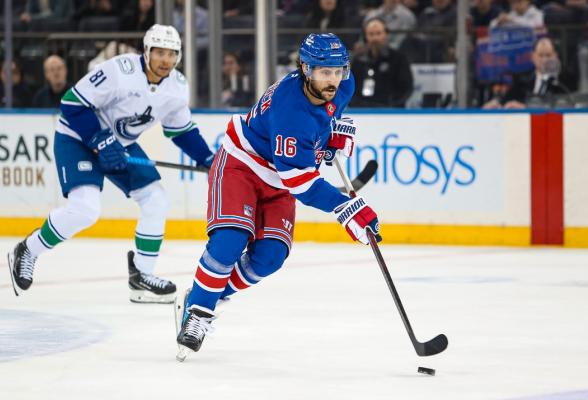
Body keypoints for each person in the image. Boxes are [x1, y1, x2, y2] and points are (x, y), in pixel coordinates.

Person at [174, 33, 383, 361]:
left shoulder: (345, 83)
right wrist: (346, 207)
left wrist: (329, 136)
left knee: (270, 257)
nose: (332, 79)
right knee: (230, 241)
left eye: (337, 70)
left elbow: (325, 117)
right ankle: (198, 311)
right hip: (242, 166)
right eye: (323, 72)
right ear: (305, 69)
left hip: (278, 177)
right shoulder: (290, 111)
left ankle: (209, 292)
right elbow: (300, 183)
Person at [6, 24, 214, 304]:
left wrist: (208, 159)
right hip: (78, 139)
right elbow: (71, 104)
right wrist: (100, 141)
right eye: (160, 52)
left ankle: (141, 275)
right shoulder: (119, 71)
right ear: (146, 51)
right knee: (85, 209)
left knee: (156, 200)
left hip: (120, 146)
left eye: (172, 54)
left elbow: (181, 131)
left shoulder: (177, 87)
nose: (165, 60)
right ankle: (28, 250)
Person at [483, 38, 569, 109]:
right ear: (533, 56)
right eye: (541, 55)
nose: (544, 60)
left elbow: (566, 105)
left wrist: (526, 107)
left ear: (555, 56)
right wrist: (497, 103)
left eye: (548, 55)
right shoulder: (522, 79)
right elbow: (507, 101)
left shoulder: (564, 81)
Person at [351, 17, 414, 107]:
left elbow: (406, 88)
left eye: (378, 33)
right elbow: (350, 90)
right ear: (366, 37)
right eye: (371, 34)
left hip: (391, 112)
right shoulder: (358, 61)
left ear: (386, 35)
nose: (375, 38)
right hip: (363, 113)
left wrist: (390, 106)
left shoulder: (399, 59)